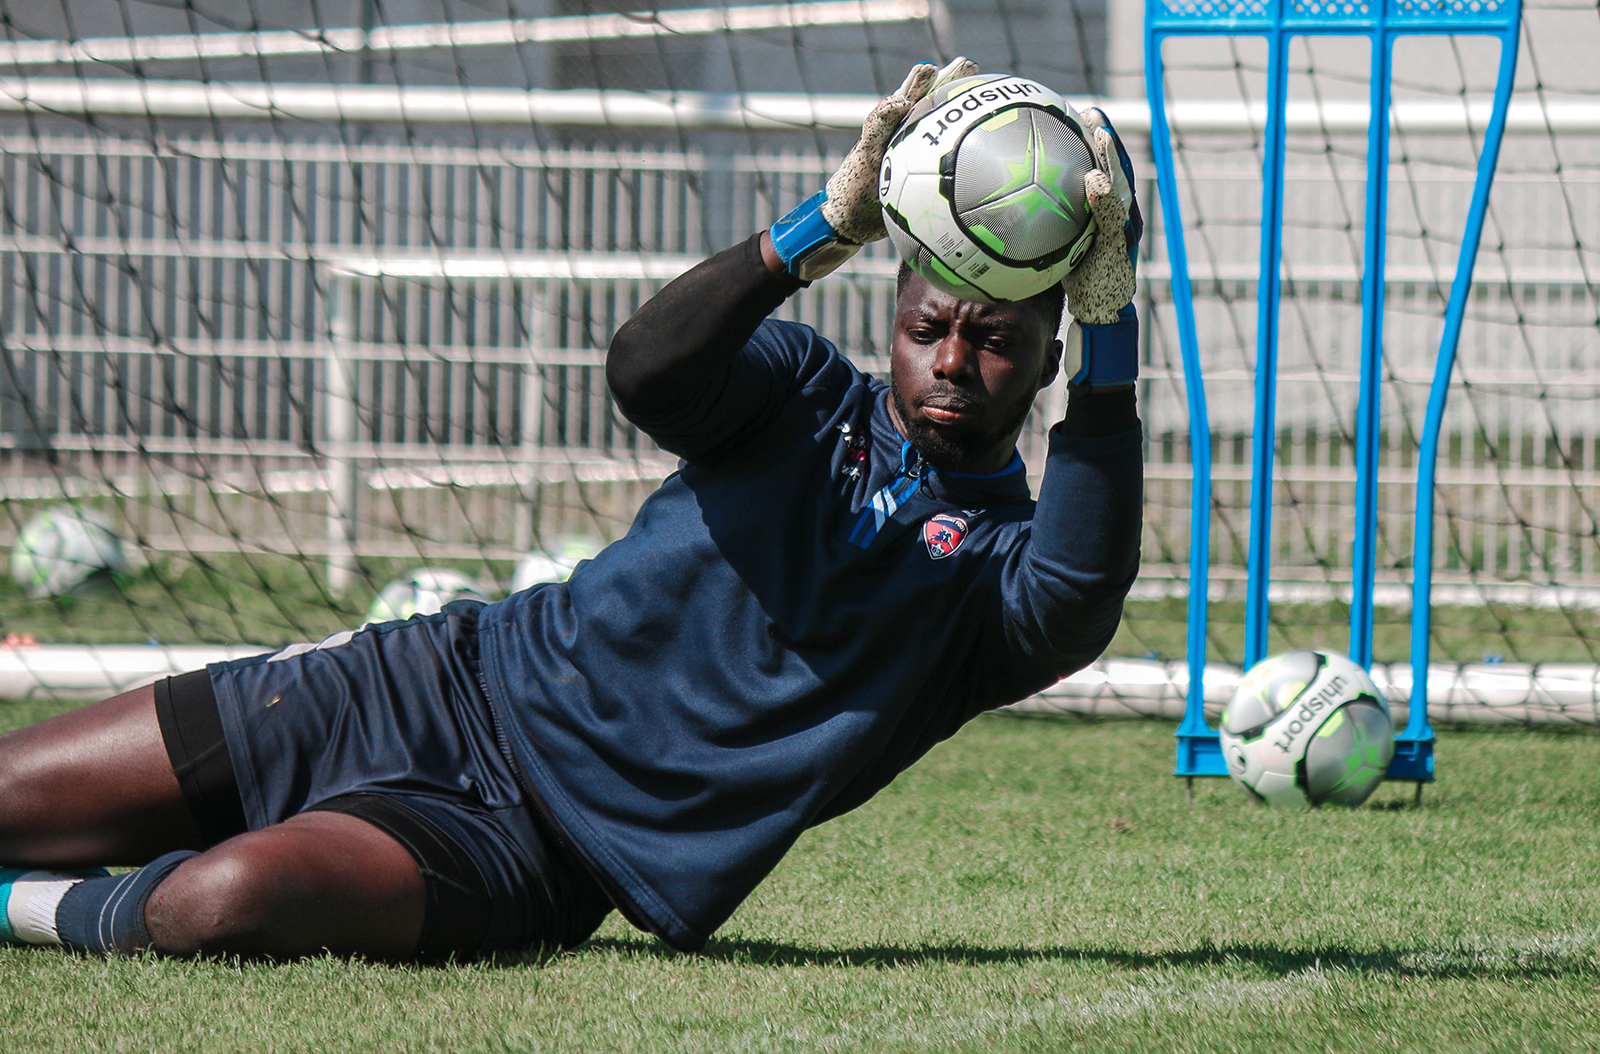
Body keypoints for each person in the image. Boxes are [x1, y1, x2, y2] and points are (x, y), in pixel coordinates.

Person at [0, 58, 1144, 962]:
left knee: (221, 901)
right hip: (429, 683)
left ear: (1045, 357)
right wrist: (819, 230)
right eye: (927, 329)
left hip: (528, 853)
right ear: (892, 322)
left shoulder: (997, 577)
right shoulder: (798, 391)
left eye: (994, 342)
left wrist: (1112, 338)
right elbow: (647, 371)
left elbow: (1078, 598)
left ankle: (22, 908)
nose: (952, 361)